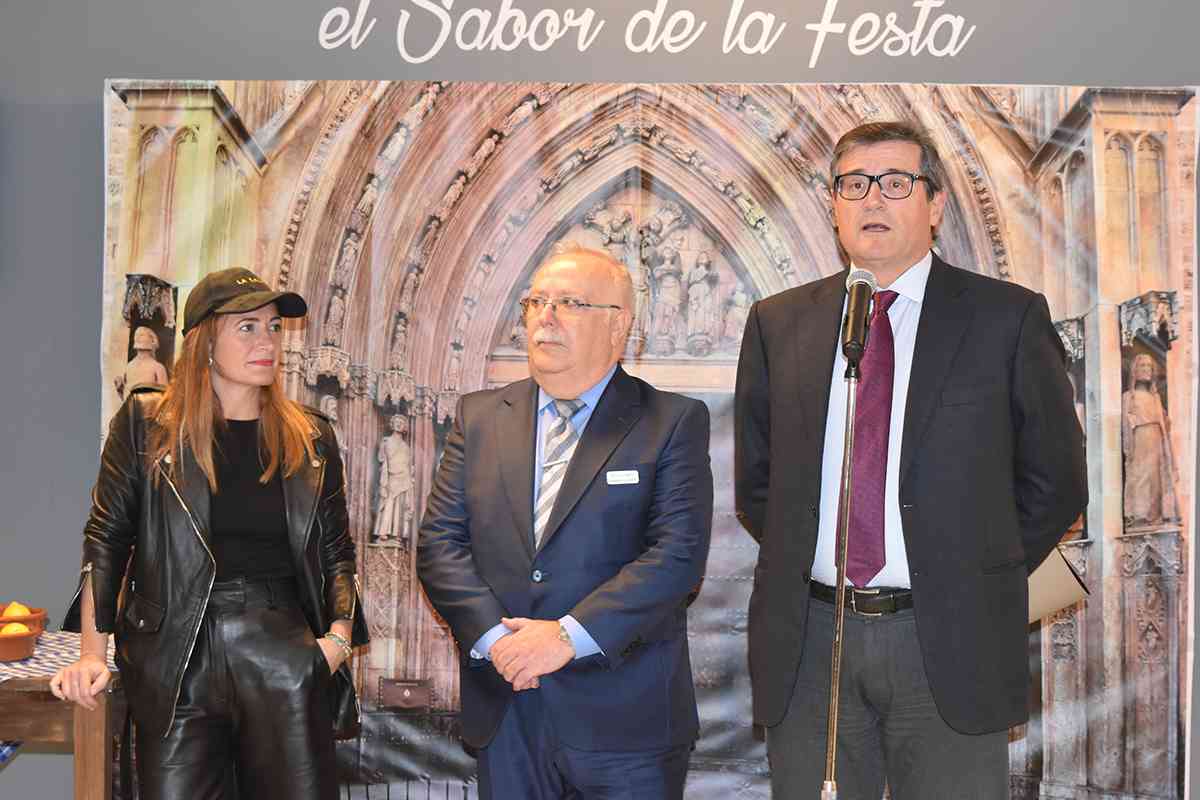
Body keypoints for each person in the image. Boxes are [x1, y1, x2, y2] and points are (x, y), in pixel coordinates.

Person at [734, 121, 1087, 799]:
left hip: (949, 639)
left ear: (936, 204)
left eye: (896, 183)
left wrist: (974, 569)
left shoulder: (1005, 318)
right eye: (854, 185)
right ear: (833, 205)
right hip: (812, 641)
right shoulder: (779, 323)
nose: (873, 199)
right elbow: (758, 486)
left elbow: (1057, 480)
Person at [51, 267, 368, 800]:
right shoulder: (145, 423)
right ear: (205, 342)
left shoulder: (312, 437)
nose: (267, 341)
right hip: (176, 658)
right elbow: (105, 541)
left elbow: (338, 551)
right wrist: (90, 654)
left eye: (273, 327)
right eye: (247, 327)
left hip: (283, 651)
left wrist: (335, 643)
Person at [417, 243, 712, 800]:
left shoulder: (671, 421)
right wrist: (498, 643)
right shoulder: (479, 417)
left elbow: (676, 557)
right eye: (536, 302)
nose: (545, 317)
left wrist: (564, 638)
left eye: (570, 303)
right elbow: (440, 544)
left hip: (625, 722)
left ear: (618, 325)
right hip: (508, 707)